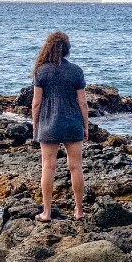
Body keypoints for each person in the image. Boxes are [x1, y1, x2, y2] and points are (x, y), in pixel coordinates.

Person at [31, 31, 89, 222]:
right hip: (73, 123)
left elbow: (36, 103)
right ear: (66, 49)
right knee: (76, 167)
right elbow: (82, 103)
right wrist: (85, 126)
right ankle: (79, 211)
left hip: (48, 123)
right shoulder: (76, 71)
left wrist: (35, 124)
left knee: (48, 167)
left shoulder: (41, 71)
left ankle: (46, 213)